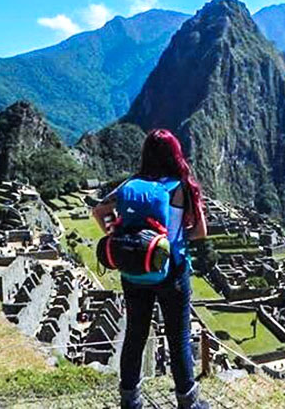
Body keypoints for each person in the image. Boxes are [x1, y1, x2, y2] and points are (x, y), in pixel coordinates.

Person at [93, 129, 210, 409]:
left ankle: (130, 401)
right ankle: (188, 403)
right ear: (175, 154)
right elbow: (201, 231)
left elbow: (99, 210)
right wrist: (171, 241)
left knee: (135, 334)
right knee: (178, 337)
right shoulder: (182, 186)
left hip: (134, 271)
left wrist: (118, 238)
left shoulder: (130, 185)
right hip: (173, 272)